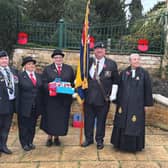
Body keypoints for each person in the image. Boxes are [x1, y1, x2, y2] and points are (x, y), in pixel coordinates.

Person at [111, 53, 153, 152]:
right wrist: (117, 101)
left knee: (135, 123)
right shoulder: (124, 73)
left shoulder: (144, 73)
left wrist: (146, 104)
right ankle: (120, 145)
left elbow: (148, 90)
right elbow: (119, 88)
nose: (137, 61)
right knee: (122, 123)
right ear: (130, 61)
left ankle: (135, 146)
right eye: (134, 59)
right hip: (124, 105)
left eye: (138, 59)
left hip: (137, 105)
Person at [81, 41, 119, 150]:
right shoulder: (87, 62)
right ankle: (88, 139)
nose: (99, 51)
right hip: (89, 98)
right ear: (94, 51)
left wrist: (113, 94)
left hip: (103, 98)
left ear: (104, 51)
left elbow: (116, 81)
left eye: (101, 49)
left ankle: (99, 140)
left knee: (101, 121)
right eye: (97, 49)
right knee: (88, 120)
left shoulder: (111, 64)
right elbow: (81, 77)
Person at [40, 49, 75, 147]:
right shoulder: (47, 69)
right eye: (56, 57)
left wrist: (71, 88)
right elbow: (43, 83)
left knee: (60, 119)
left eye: (60, 57)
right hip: (52, 100)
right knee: (50, 119)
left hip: (64, 100)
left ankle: (57, 137)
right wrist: (51, 86)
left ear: (62, 58)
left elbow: (73, 82)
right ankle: (49, 137)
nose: (58, 59)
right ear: (53, 59)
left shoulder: (69, 69)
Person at [18, 56, 43, 151]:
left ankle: (30, 142)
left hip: (36, 106)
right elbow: (17, 92)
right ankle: (24, 143)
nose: (31, 66)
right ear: (24, 66)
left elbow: (41, 89)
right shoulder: (20, 76)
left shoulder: (38, 76)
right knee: (24, 126)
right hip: (24, 106)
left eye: (32, 64)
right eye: (29, 64)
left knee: (32, 125)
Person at [0, 50, 19, 154]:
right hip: (0, 103)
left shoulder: (13, 71)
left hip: (11, 103)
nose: (4, 60)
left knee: (6, 126)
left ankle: (3, 146)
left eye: (6, 58)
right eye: (2, 59)